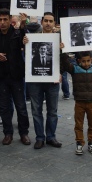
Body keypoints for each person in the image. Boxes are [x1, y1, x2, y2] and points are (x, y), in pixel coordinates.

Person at [0, 8, 30, 146]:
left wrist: (24, 25)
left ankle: (24, 133)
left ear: (9, 20)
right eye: (0, 19)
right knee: (4, 108)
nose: (2, 22)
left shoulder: (17, 34)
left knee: (21, 106)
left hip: (16, 76)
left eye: (5, 19)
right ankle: (8, 133)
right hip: (1, 77)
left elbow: (26, 42)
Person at [24, 12, 63, 149]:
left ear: (54, 23)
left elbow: (65, 59)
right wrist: (24, 44)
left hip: (53, 81)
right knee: (36, 111)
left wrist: (60, 73)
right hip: (35, 81)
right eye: (45, 20)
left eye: (50, 21)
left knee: (52, 111)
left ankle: (51, 137)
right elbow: (27, 57)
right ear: (42, 22)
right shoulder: (32, 38)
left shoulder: (60, 39)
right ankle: (40, 137)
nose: (48, 23)